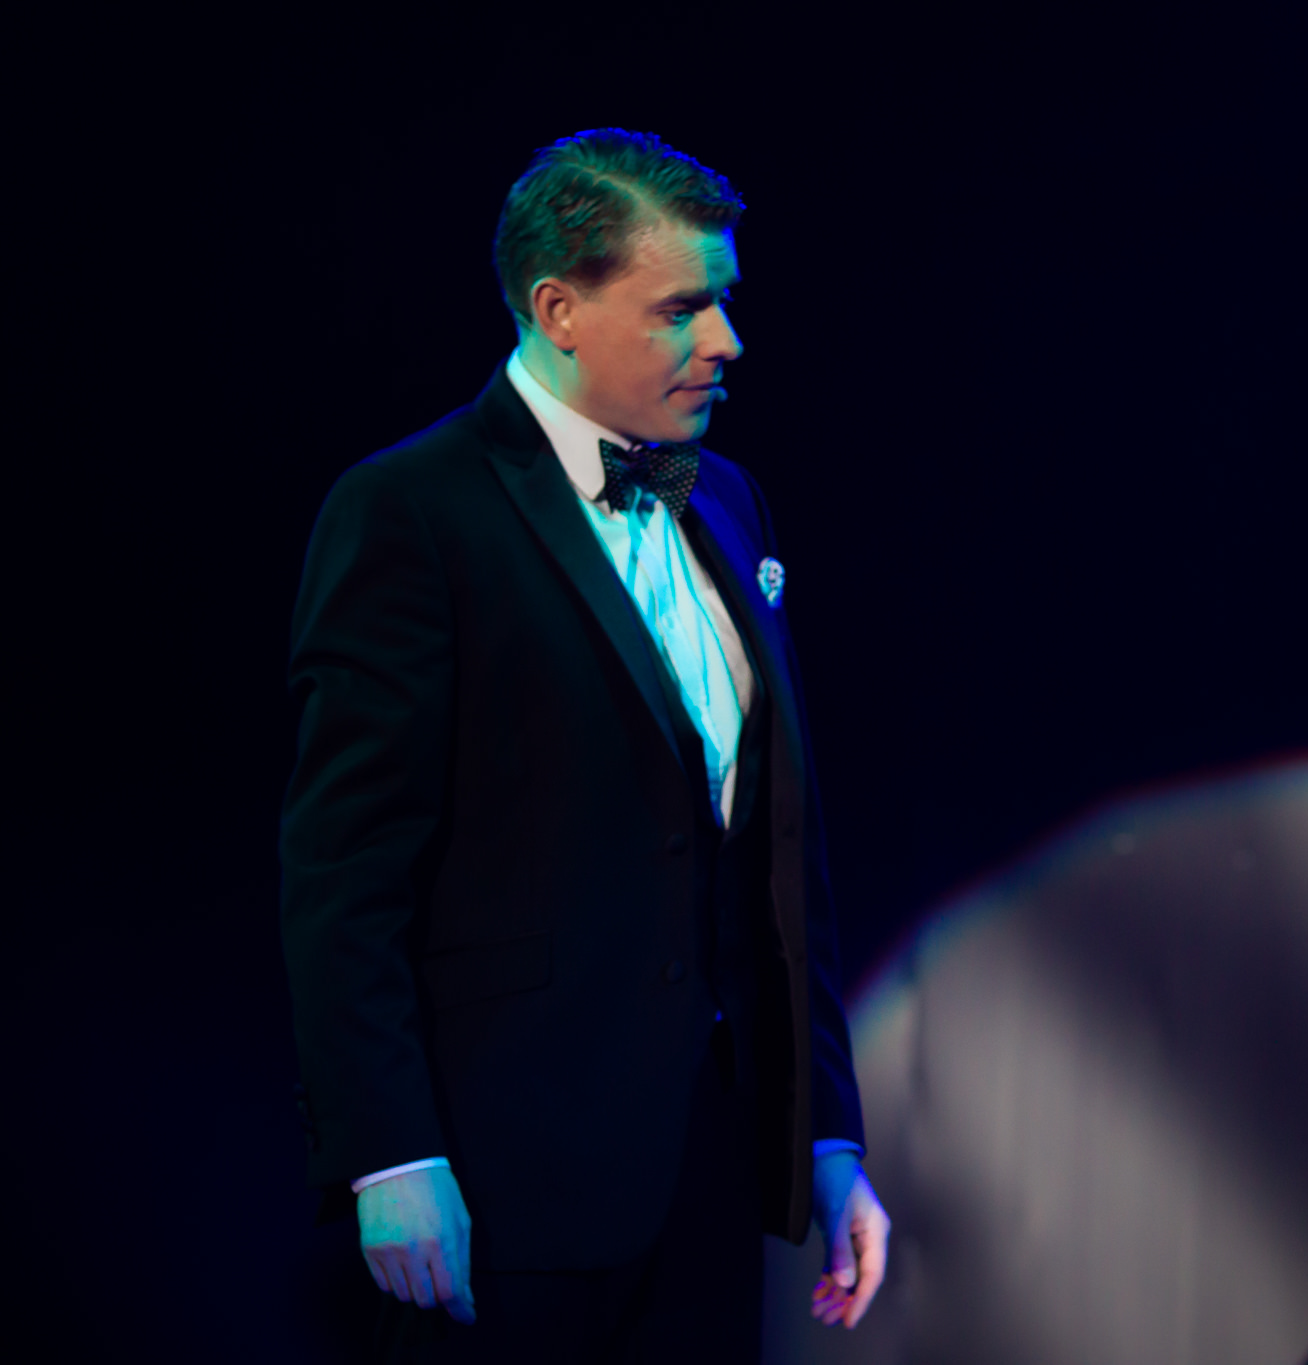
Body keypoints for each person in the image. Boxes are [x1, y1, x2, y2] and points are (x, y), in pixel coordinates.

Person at [281, 128, 888, 1362]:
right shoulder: (411, 510)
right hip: (497, 1186)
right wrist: (389, 1151)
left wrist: (825, 1135)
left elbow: (779, 853)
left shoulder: (727, 498)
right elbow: (345, 874)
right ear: (557, 309)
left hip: (703, 1177)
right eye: (682, 309)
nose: (726, 341)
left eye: (722, 301)